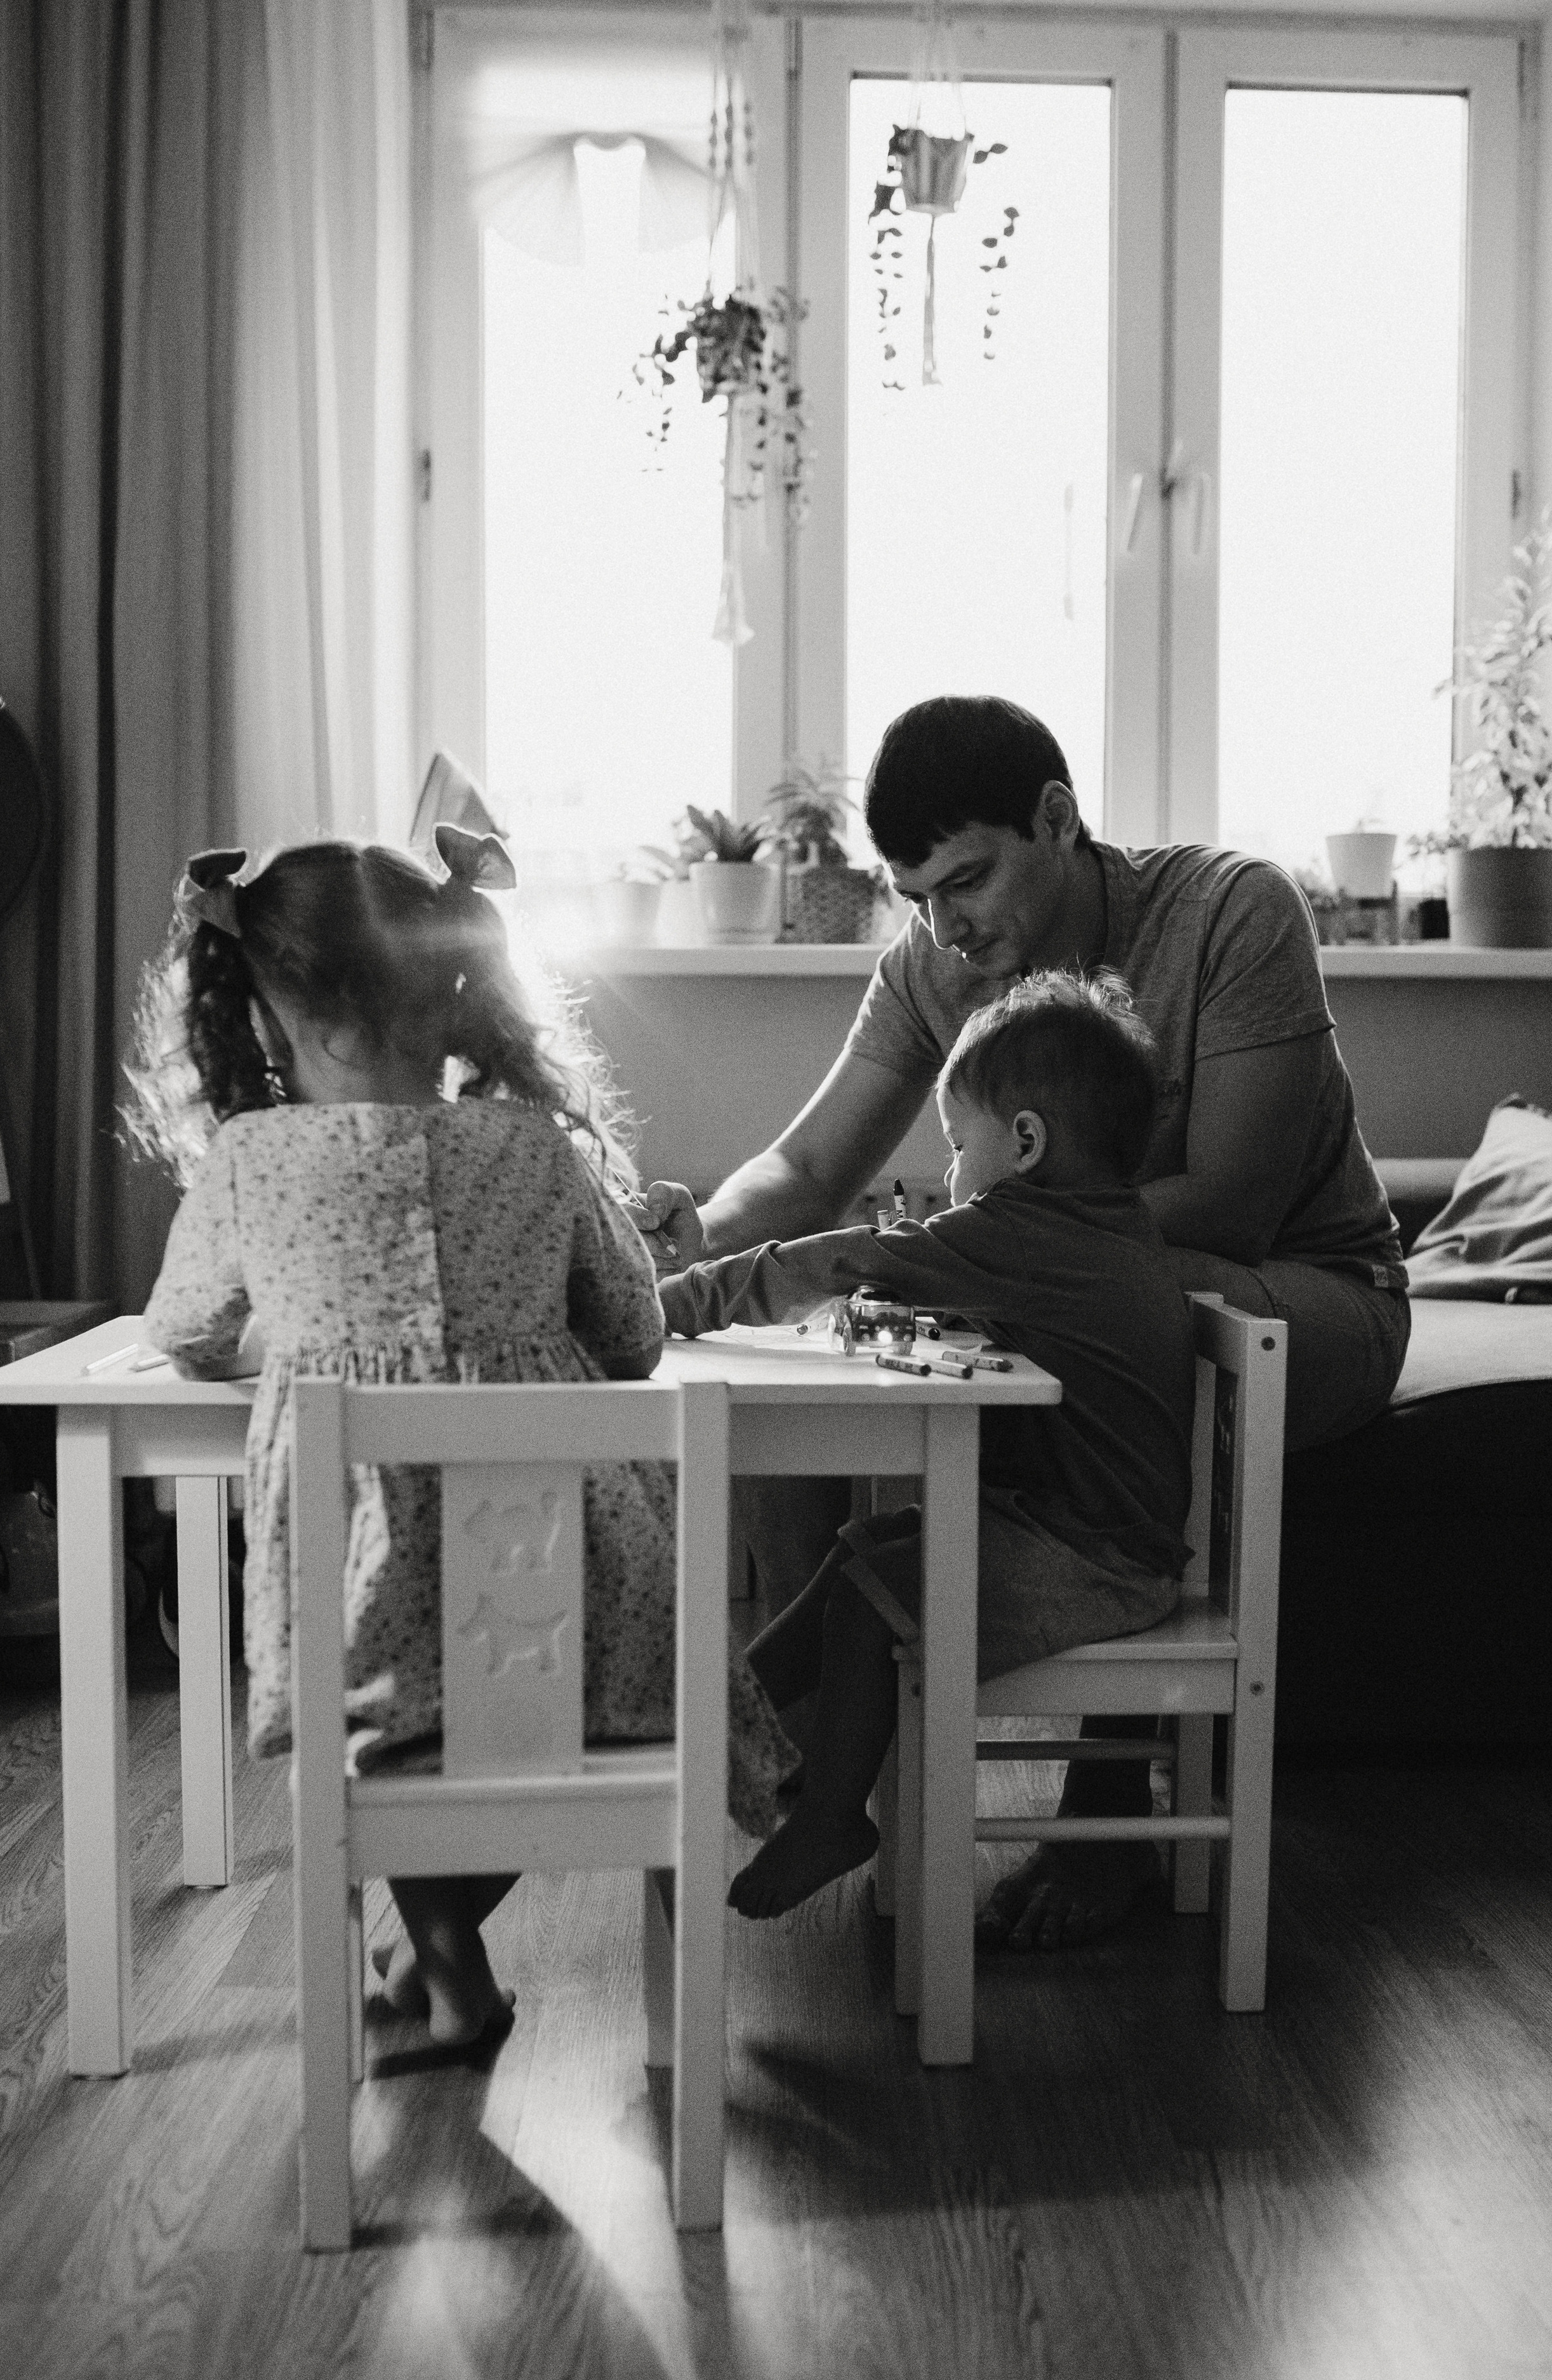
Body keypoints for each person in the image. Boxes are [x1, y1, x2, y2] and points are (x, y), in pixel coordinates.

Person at [638, 694, 1409, 1947]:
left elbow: (1234, 1199)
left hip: (1301, 1295)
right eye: (915, 895)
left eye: (969, 879)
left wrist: (996, 1257)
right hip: (1088, 1288)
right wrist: (680, 1254)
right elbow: (805, 1169)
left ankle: (1097, 1811)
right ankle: (795, 1757)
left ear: (1053, 820)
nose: (946, 923)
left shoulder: (1230, 911)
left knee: (1146, 1317)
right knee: (834, 1353)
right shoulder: (931, 966)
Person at [131, 828, 792, 2046]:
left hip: (363, 1625)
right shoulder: (537, 1150)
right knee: (529, 1693)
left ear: (285, 1022)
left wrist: (303, 1335)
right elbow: (638, 1330)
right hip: (588, 1608)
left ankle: (447, 1968)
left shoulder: (248, 1163)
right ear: (452, 993)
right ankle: (452, 1969)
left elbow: (184, 1331)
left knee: (403, 1706)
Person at [661, 970, 1195, 1916]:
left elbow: (830, 1259)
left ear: (1025, 1143)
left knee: (878, 1593)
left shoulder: (1020, 1228)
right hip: (1088, 1531)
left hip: (1099, 1560)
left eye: (957, 1144)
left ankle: (828, 1810)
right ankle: (735, 1716)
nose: (950, 1173)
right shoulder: (1108, 1223)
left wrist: (664, 1303)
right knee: (865, 1550)